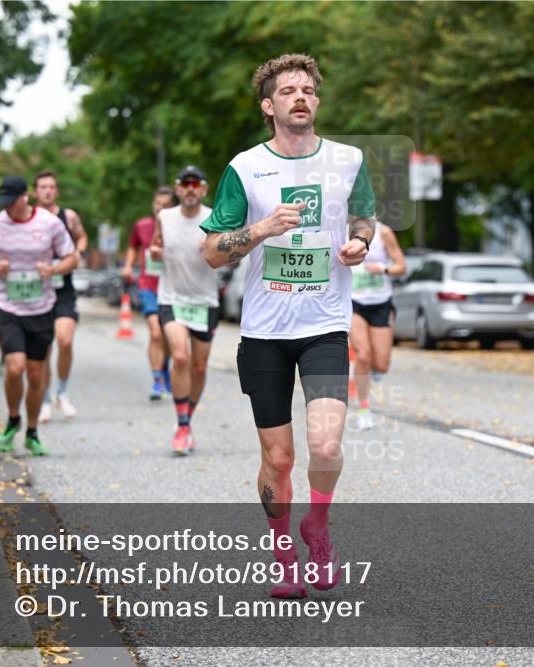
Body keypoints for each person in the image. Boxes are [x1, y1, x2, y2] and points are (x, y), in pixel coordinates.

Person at [200, 54, 376, 599]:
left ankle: (316, 528)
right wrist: (260, 229)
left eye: (308, 90)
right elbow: (211, 252)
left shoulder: (348, 160)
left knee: (324, 447)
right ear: (269, 106)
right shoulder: (245, 167)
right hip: (264, 335)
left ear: (316, 102)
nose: (300, 97)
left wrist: (360, 243)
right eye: (288, 91)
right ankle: (282, 550)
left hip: (325, 324)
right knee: (279, 458)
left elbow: (364, 215)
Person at [0, 175, 76, 456]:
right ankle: (12, 420)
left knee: (35, 374)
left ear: (26, 197)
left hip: (42, 307)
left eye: (12, 202)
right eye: (4, 203)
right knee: (15, 367)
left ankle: (32, 432)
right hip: (8, 306)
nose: (7, 207)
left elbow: (71, 258)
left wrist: (53, 270)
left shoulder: (49, 223)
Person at [150, 166, 218, 455]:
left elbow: (228, 257)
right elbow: (157, 247)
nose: (190, 189)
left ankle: (187, 419)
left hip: (204, 301)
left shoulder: (214, 217)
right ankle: (181, 424)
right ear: (177, 190)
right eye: (185, 184)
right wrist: (155, 253)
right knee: (180, 356)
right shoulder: (164, 217)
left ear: (203, 189)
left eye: (196, 184)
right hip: (172, 298)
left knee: (199, 367)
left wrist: (215, 249)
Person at [32, 170, 88, 422]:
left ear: (56, 191)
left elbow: (82, 236)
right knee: (43, 349)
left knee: (64, 342)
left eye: (51, 187)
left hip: (63, 289)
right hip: (37, 291)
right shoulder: (29, 218)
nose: (47, 191)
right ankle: (44, 400)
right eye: (42, 187)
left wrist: (78, 252)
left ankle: (62, 393)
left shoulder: (69, 216)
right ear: (35, 191)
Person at [349, 221, 406, 429]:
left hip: (381, 302)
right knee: (363, 354)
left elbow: (401, 266)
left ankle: (370, 369)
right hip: (353, 301)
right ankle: (364, 408)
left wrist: (383, 269)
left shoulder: (385, 232)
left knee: (381, 364)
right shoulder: (342, 229)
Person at [124, 186, 175, 400]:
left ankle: (164, 368)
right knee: (155, 332)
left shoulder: (179, 226)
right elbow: (133, 246)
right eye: (157, 204)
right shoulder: (142, 226)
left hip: (173, 287)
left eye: (165, 205)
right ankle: (157, 380)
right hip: (148, 286)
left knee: (171, 338)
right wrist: (128, 265)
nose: (160, 208)